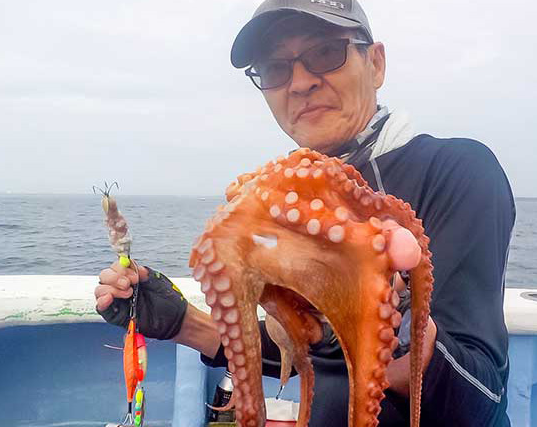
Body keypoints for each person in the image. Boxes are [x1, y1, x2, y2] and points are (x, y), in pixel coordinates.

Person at [95, 0, 515, 425]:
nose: (299, 82)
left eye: (325, 54)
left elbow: (480, 397)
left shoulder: (457, 171)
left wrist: (399, 333)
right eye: (276, 69)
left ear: (376, 63)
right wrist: (182, 322)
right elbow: (304, 348)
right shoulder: (288, 199)